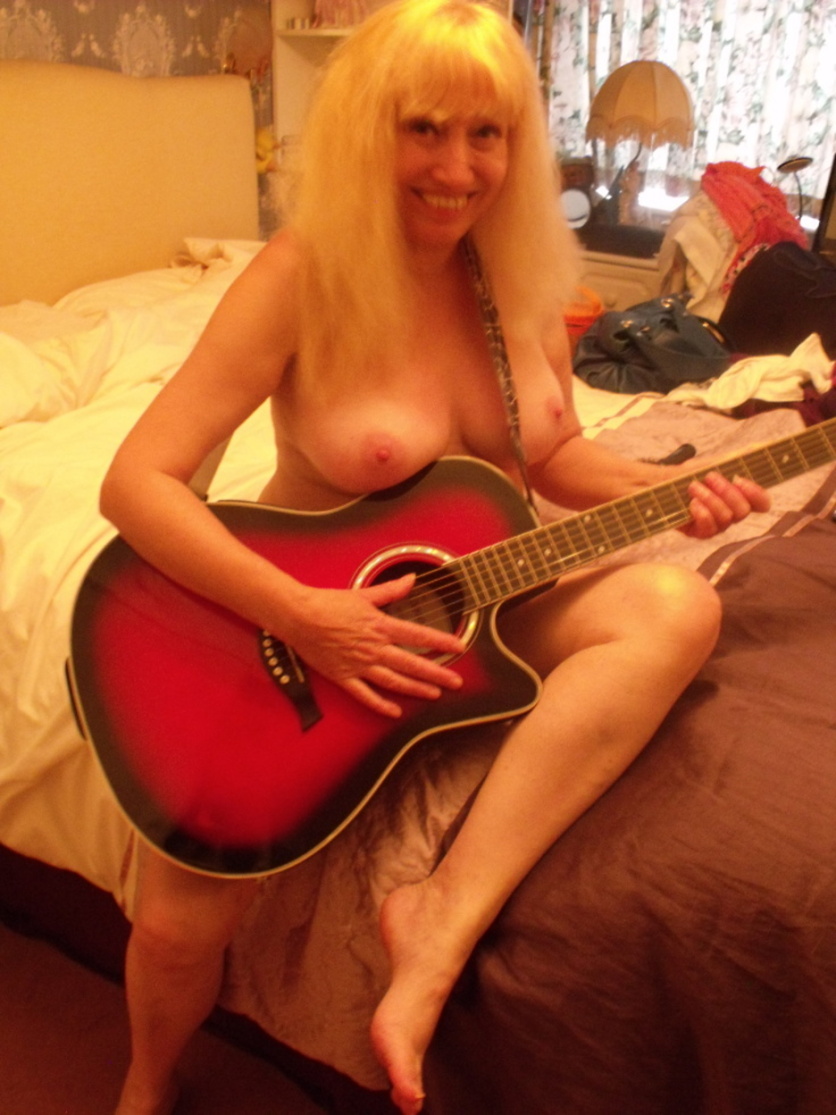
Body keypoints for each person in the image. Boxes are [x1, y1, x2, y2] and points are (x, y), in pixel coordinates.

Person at [99, 2, 770, 1112]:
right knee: (179, 925)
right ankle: (145, 1083)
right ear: (368, 132)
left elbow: (552, 452)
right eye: (423, 128)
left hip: (485, 603)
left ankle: (438, 916)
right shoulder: (303, 275)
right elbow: (136, 483)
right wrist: (306, 615)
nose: (457, 170)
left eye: (485, 133)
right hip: (297, 637)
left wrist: (669, 492)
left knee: (673, 608)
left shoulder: (516, 274)